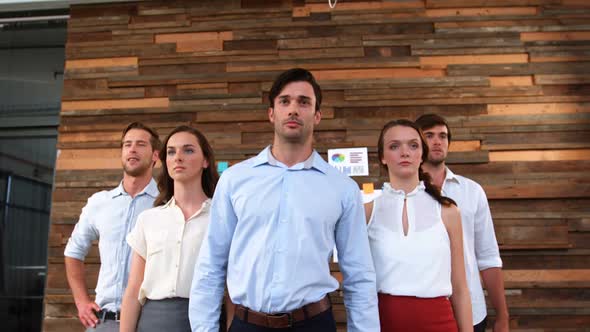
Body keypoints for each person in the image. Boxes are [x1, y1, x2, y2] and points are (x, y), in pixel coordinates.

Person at [189, 68, 379, 332]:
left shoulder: (342, 188)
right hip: (248, 324)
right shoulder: (235, 180)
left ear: (317, 115)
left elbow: (359, 275)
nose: (293, 109)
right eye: (284, 101)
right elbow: (211, 265)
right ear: (271, 113)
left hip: (313, 324)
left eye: (304, 102)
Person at [366, 119, 472, 331]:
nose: (404, 152)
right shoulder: (366, 212)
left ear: (422, 154)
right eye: (394, 146)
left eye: (413, 145)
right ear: (383, 157)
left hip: (440, 323)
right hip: (383, 323)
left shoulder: (449, 211)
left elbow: (460, 288)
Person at [120, 126, 220, 332]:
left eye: (188, 150)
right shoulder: (149, 219)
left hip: (203, 322)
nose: (178, 157)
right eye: (172, 152)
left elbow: (230, 291)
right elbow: (133, 291)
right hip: (151, 322)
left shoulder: (220, 218)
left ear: (205, 161)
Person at [415, 114, 509, 332]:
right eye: (429, 135)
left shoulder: (471, 191)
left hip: (473, 311)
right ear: (417, 143)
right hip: (423, 310)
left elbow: (488, 256)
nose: (437, 141)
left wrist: (503, 316)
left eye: (443, 136)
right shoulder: (403, 193)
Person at [64, 122, 161, 331]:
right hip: (104, 322)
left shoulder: (165, 203)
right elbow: (73, 251)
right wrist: (81, 301)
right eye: (127, 145)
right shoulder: (100, 203)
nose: (132, 149)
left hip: (149, 321)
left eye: (141, 144)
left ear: (155, 156)